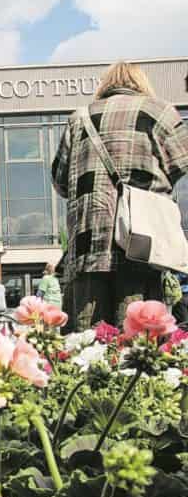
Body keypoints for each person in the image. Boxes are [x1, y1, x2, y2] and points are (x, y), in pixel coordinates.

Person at [52, 61, 188, 329]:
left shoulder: (79, 119)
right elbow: (181, 163)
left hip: (88, 247)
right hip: (141, 244)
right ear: (141, 84)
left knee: (88, 341)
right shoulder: (159, 113)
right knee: (139, 337)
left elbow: (61, 183)